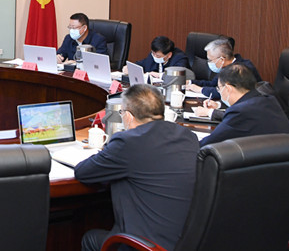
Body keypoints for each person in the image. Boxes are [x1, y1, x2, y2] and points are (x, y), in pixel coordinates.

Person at [74, 84, 199, 251]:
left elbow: (83, 172)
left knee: (90, 239)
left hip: (148, 246)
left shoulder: (127, 142)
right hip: (187, 243)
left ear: (128, 116)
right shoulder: (188, 136)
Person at [193, 64, 289, 146]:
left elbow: (208, 144)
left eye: (219, 88)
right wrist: (213, 111)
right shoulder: (267, 99)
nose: (219, 92)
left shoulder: (241, 111)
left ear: (228, 88)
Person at [187, 38, 261, 99]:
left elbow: (225, 92)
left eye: (210, 60)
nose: (208, 63)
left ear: (221, 59)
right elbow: (213, 84)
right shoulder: (226, 67)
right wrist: (190, 83)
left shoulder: (241, 69)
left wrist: (201, 90)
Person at [123, 36, 190, 77]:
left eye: (158, 56)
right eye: (153, 53)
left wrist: (158, 75)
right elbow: (143, 63)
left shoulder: (180, 58)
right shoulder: (153, 55)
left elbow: (177, 75)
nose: (154, 56)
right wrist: (130, 67)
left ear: (169, 55)